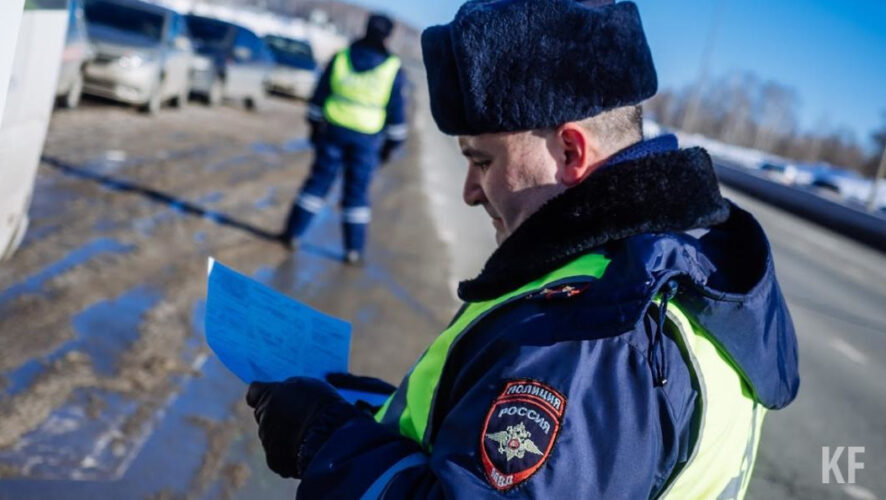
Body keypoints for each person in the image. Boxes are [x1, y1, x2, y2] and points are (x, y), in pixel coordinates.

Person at [247, 0, 800, 497]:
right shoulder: (667, 268)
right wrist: (366, 417)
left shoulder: (593, 331)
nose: (470, 191)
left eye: (482, 161)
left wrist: (324, 441)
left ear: (569, 149)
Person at [280, 12, 408, 265]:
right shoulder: (392, 68)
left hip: (333, 132)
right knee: (356, 195)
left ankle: (292, 235)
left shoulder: (342, 57)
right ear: (389, 35)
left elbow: (319, 96)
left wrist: (315, 129)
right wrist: (389, 148)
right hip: (366, 140)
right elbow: (396, 112)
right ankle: (353, 251)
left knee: (316, 185)